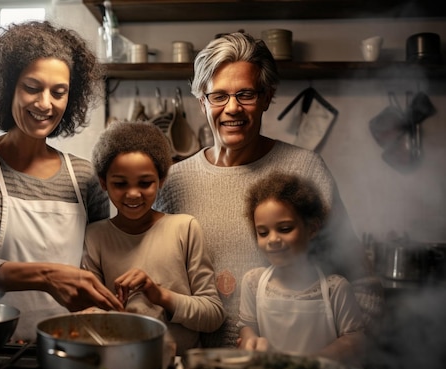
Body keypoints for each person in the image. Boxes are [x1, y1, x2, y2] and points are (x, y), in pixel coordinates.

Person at [154, 31, 383, 348]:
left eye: (245, 94)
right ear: (202, 101)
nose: (232, 108)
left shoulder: (304, 170)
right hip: (197, 367)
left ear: (266, 97)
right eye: (218, 96)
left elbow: (363, 283)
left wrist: (326, 359)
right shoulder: (174, 181)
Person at [0, 20, 123, 343]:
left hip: (65, 347)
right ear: (8, 87)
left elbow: (98, 267)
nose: (46, 104)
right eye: (32, 87)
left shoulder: (84, 177)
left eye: (59, 92)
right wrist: (44, 275)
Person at [83, 121, 226, 355]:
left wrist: (160, 295)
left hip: (181, 368)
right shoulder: (95, 236)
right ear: (103, 183)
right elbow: (92, 316)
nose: (133, 193)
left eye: (145, 182)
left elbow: (213, 315)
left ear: (161, 180)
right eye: (120, 183)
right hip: (118, 364)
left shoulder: (184, 228)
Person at [238, 172, 365, 364]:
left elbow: (355, 340)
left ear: (312, 229)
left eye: (285, 229)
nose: (272, 239)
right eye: (263, 232)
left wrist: (310, 363)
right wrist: (249, 341)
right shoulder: (253, 282)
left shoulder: (335, 289)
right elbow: (247, 328)